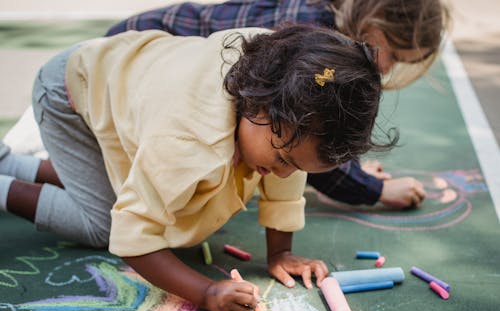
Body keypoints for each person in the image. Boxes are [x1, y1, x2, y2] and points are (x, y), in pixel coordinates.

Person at [0, 25, 394, 311]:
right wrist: (205, 292)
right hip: (69, 95)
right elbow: (132, 236)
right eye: (283, 161)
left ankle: (9, 162)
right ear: (259, 105)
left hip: (123, 81)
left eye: (295, 167)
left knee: (122, 187)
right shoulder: (189, 139)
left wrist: (281, 252)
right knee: (101, 222)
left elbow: (289, 174)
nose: (280, 174)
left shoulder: (286, 78)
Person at [104, 0, 450, 209]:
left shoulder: (331, 26)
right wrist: (376, 189)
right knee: (120, 201)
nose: (388, 68)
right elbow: (300, 135)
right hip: (130, 63)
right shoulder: (313, 34)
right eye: (394, 53)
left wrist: (352, 169)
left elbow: (323, 124)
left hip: (149, 57)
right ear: (375, 21)